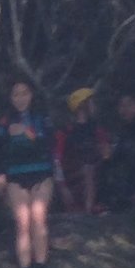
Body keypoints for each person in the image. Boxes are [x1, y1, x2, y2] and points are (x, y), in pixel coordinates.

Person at [0, 80, 58, 268]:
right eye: (16, 94)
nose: (20, 99)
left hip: (41, 173)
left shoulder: (41, 117)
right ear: (10, 98)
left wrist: (27, 133)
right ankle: (25, 267)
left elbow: (49, 141)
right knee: (22, 222)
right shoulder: (5, 120)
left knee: (38, 217)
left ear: (31, 95)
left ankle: (40, 264)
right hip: (16, 175)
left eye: (24, 93)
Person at [54, 88, 105, 216]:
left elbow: (105, 154)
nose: (95, 105)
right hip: (72, 179)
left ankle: (92, 207)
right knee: (88, 169)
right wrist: (62, 186)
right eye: (91, 102)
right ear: (83, 105)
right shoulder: (66, 132)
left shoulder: (97, 129)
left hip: (97, 177)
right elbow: (57, 160)